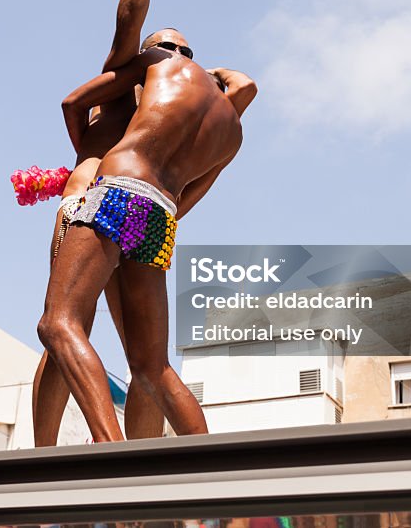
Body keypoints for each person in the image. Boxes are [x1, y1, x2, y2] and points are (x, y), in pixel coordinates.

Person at [38, 28, 258, 442]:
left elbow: (74, 99)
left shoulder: (159, 66)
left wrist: (87, 154)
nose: (173, 54)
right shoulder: (231, 132)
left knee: (58, 324)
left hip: (120, 191)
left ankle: (111, 448)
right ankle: (214, 475)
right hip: (159, 215)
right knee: (152, 367)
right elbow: (190, 196)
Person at [33, 0, 173, 446]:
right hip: (94, 198)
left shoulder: (171, 115)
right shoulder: (125, 81)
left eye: (185, 53)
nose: (175, 58)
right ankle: (45, 457)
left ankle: (140, 471)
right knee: (68, 328)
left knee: (148, 359)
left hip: (138, 211)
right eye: (164, 48)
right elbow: (128, 25)